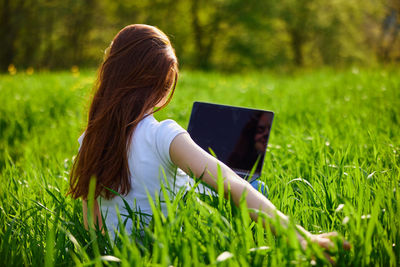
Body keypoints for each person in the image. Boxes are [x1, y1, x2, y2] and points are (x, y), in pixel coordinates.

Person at [68, 24, 346, 253]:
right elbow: (233, 186)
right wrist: (301, 237)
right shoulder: (162, 134)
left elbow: (92, 226)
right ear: (163, 86)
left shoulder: (89, 141)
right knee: (254, 183)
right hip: (169, 250)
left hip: (121, 255)